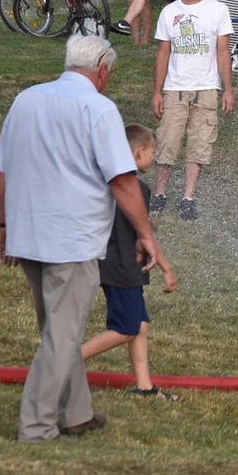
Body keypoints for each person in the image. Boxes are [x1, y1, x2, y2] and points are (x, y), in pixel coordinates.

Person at [0, 35, 163, 443]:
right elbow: (123, 180)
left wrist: (4, 227)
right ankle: (36, 427)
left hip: (28, 232)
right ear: (102, 68)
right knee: (61, 336)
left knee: (58, 331)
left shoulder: (26, 99)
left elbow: (2, 170)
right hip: (71, 239)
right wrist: (145, 234)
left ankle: (76, 413)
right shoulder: (98, 108)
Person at [81, 124, 179, 401]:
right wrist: (167, 268)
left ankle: (145, 387)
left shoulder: (106, 182)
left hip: (112, 263)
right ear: (139, 152)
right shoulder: (137, 188)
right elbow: (143, 233)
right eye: (152, 154)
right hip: (123, 266)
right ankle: (67, 363)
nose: (153, 159)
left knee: (140, 324)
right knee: (126, 328)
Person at [150, 0, 235, 222]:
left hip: (207, 87)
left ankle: (188, 197)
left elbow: (223, 51)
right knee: (168, 140)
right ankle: (160, 193)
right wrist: (157, 91)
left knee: (199, 144)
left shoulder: (218, 10)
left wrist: (228, 89)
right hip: (175, 87)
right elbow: (163, 53)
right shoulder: (169, 12)